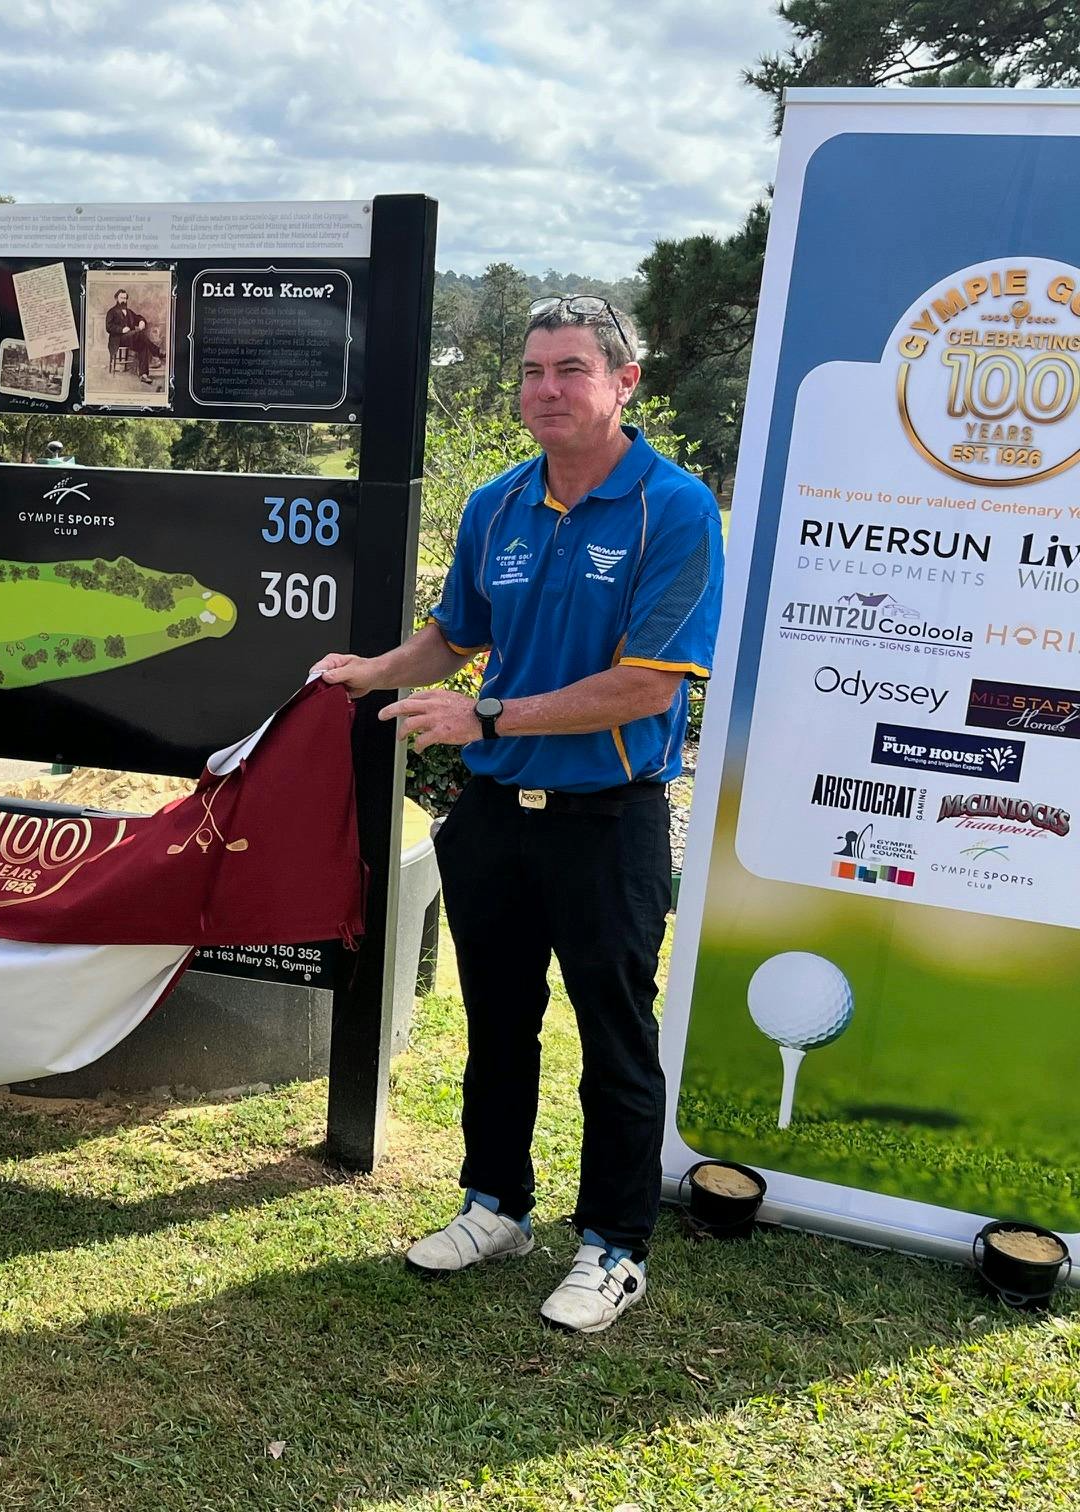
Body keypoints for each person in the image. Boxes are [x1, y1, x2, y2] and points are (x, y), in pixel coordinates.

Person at [316, 296, 722, 1333]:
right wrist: (375, 670)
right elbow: (456, 636)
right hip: (498, 814)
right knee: (498, 1023)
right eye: (534, 371)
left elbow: (647, 686)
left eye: (572, 369)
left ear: (624, 382)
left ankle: (614, 1247)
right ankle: (495, 1204)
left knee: (614, 1038)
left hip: (609, 818)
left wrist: (485, 715)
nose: (547, 390)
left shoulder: (674, 509)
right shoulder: (497, 502)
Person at [104, 288, 165, 383]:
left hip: (130, 339)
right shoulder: (111, 312)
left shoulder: (129, 312)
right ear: (116, 298)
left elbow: (139, 317)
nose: (124, 300)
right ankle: (157, 351)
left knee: (143, 345)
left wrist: (141, 321)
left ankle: (143, 375)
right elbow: (108, 327)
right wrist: (121, 329)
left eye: (125, 298)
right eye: (121, 298)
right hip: (118, 339)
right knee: (139, 333)